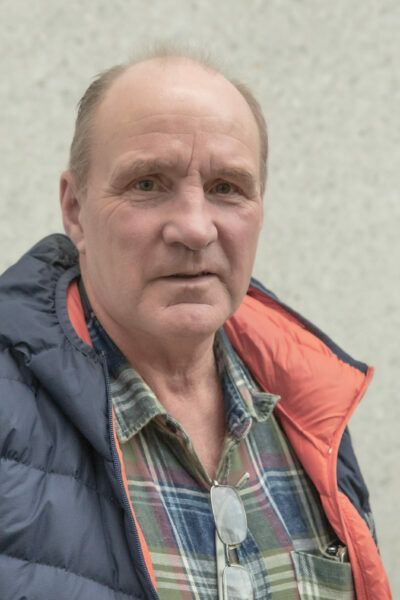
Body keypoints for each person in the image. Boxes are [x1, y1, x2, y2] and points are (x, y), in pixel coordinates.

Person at [0, 50, 391, 600]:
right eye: (147, 184)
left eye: (227, 187)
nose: (194, 228)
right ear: (74, 210)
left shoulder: (309, 413)